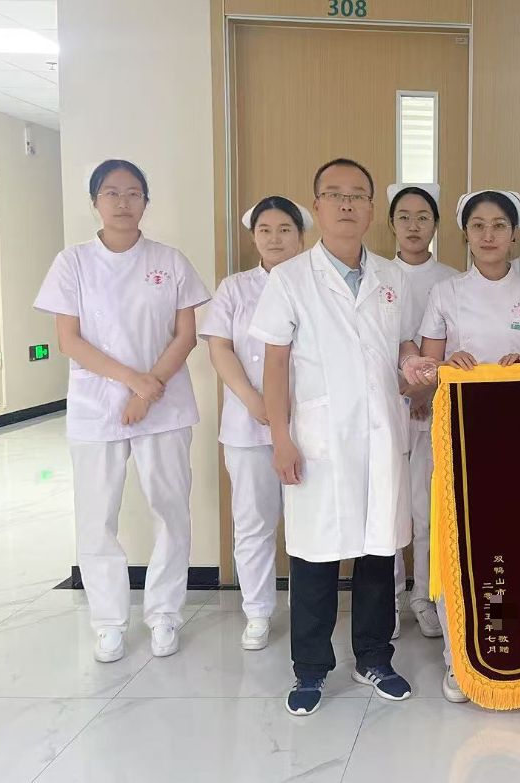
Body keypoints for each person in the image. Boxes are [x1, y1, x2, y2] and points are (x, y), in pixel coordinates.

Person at [248, 158, 438, 716]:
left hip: (380, 435)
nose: (347, 204)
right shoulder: (289, 279)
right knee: (315, 557)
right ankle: (310, 669)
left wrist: (412, 365)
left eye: (357, 194)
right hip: (318, 440)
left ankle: (374, 658)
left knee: (379, 552)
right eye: (334, 194)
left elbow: (402, 345)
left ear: (372, 208)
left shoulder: (391, 278)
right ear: (317, 207)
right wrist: (281, 437)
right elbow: (275, 366)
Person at [34, 159, 210, 663]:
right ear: (95, 202)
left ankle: (164, 614)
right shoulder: (72, 263)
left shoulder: (169, 261)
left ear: (145, 202)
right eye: (111, 193)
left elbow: (186, 335)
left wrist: (148, 392)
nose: (123, 202)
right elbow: (69, 340)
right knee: (96, 517)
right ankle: (109, 621)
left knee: (171, 511)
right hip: (97, 406)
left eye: (133, 193)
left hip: (164, 406)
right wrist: (135, 383)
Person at [418, 188, 520, 703]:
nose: (489, 235)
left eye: (499, 225)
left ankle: (513, 648)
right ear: (466, 234)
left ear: (514, 234)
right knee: (462, 542)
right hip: (461, 433)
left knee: (516, 544)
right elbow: (428, 368)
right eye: (479, 225)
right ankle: (460, 658)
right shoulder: (446, 293)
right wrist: (447, 365)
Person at [200, 195, 311, 651]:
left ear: (301, 236)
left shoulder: (313, 284)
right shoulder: (234, 288)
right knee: (253, 521)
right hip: (247, 426)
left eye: (284, 229)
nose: (274, 238)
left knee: (308, 522)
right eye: (265, 230)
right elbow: (219, 347)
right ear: (253, 237)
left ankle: (307, 610)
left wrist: (285, 407)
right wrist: (253, 400)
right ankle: (258, 611)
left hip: (306, 424)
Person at [387, 182, 457, 641]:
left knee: (429, 509)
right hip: (387, 406)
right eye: (404, 217)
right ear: (391, 224)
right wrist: (405, 390)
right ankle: (390, 598)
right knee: (389, 508)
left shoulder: (451, 280)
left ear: (436, 225)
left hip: (434, 410)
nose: (414, 226)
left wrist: (425, 393)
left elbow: (455, 346)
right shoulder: (376, 276)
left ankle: (425, 596)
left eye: (423, 217)